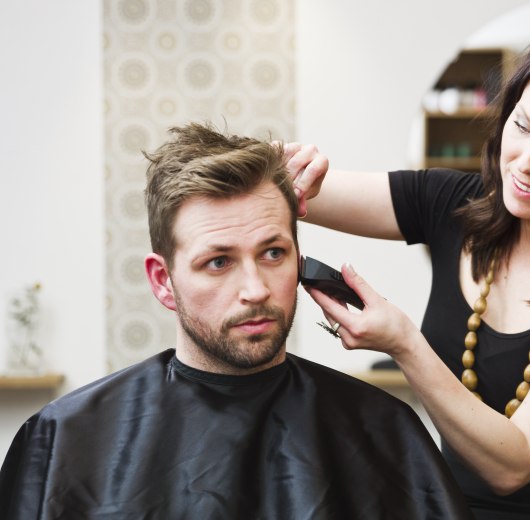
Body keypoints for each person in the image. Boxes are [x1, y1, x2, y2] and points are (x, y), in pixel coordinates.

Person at [285, 19, 530, 519]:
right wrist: (288, 169)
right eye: (521, 125)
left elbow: (513, 464)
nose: (526, 163)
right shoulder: (456, 202)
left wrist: (404, 343)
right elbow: (299, 191)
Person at [0, 123, 473, 520]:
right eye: (219, 262)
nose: (256, 289)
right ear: (163, 280)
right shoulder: (65, 439)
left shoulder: (382, 432)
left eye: (273, 253)